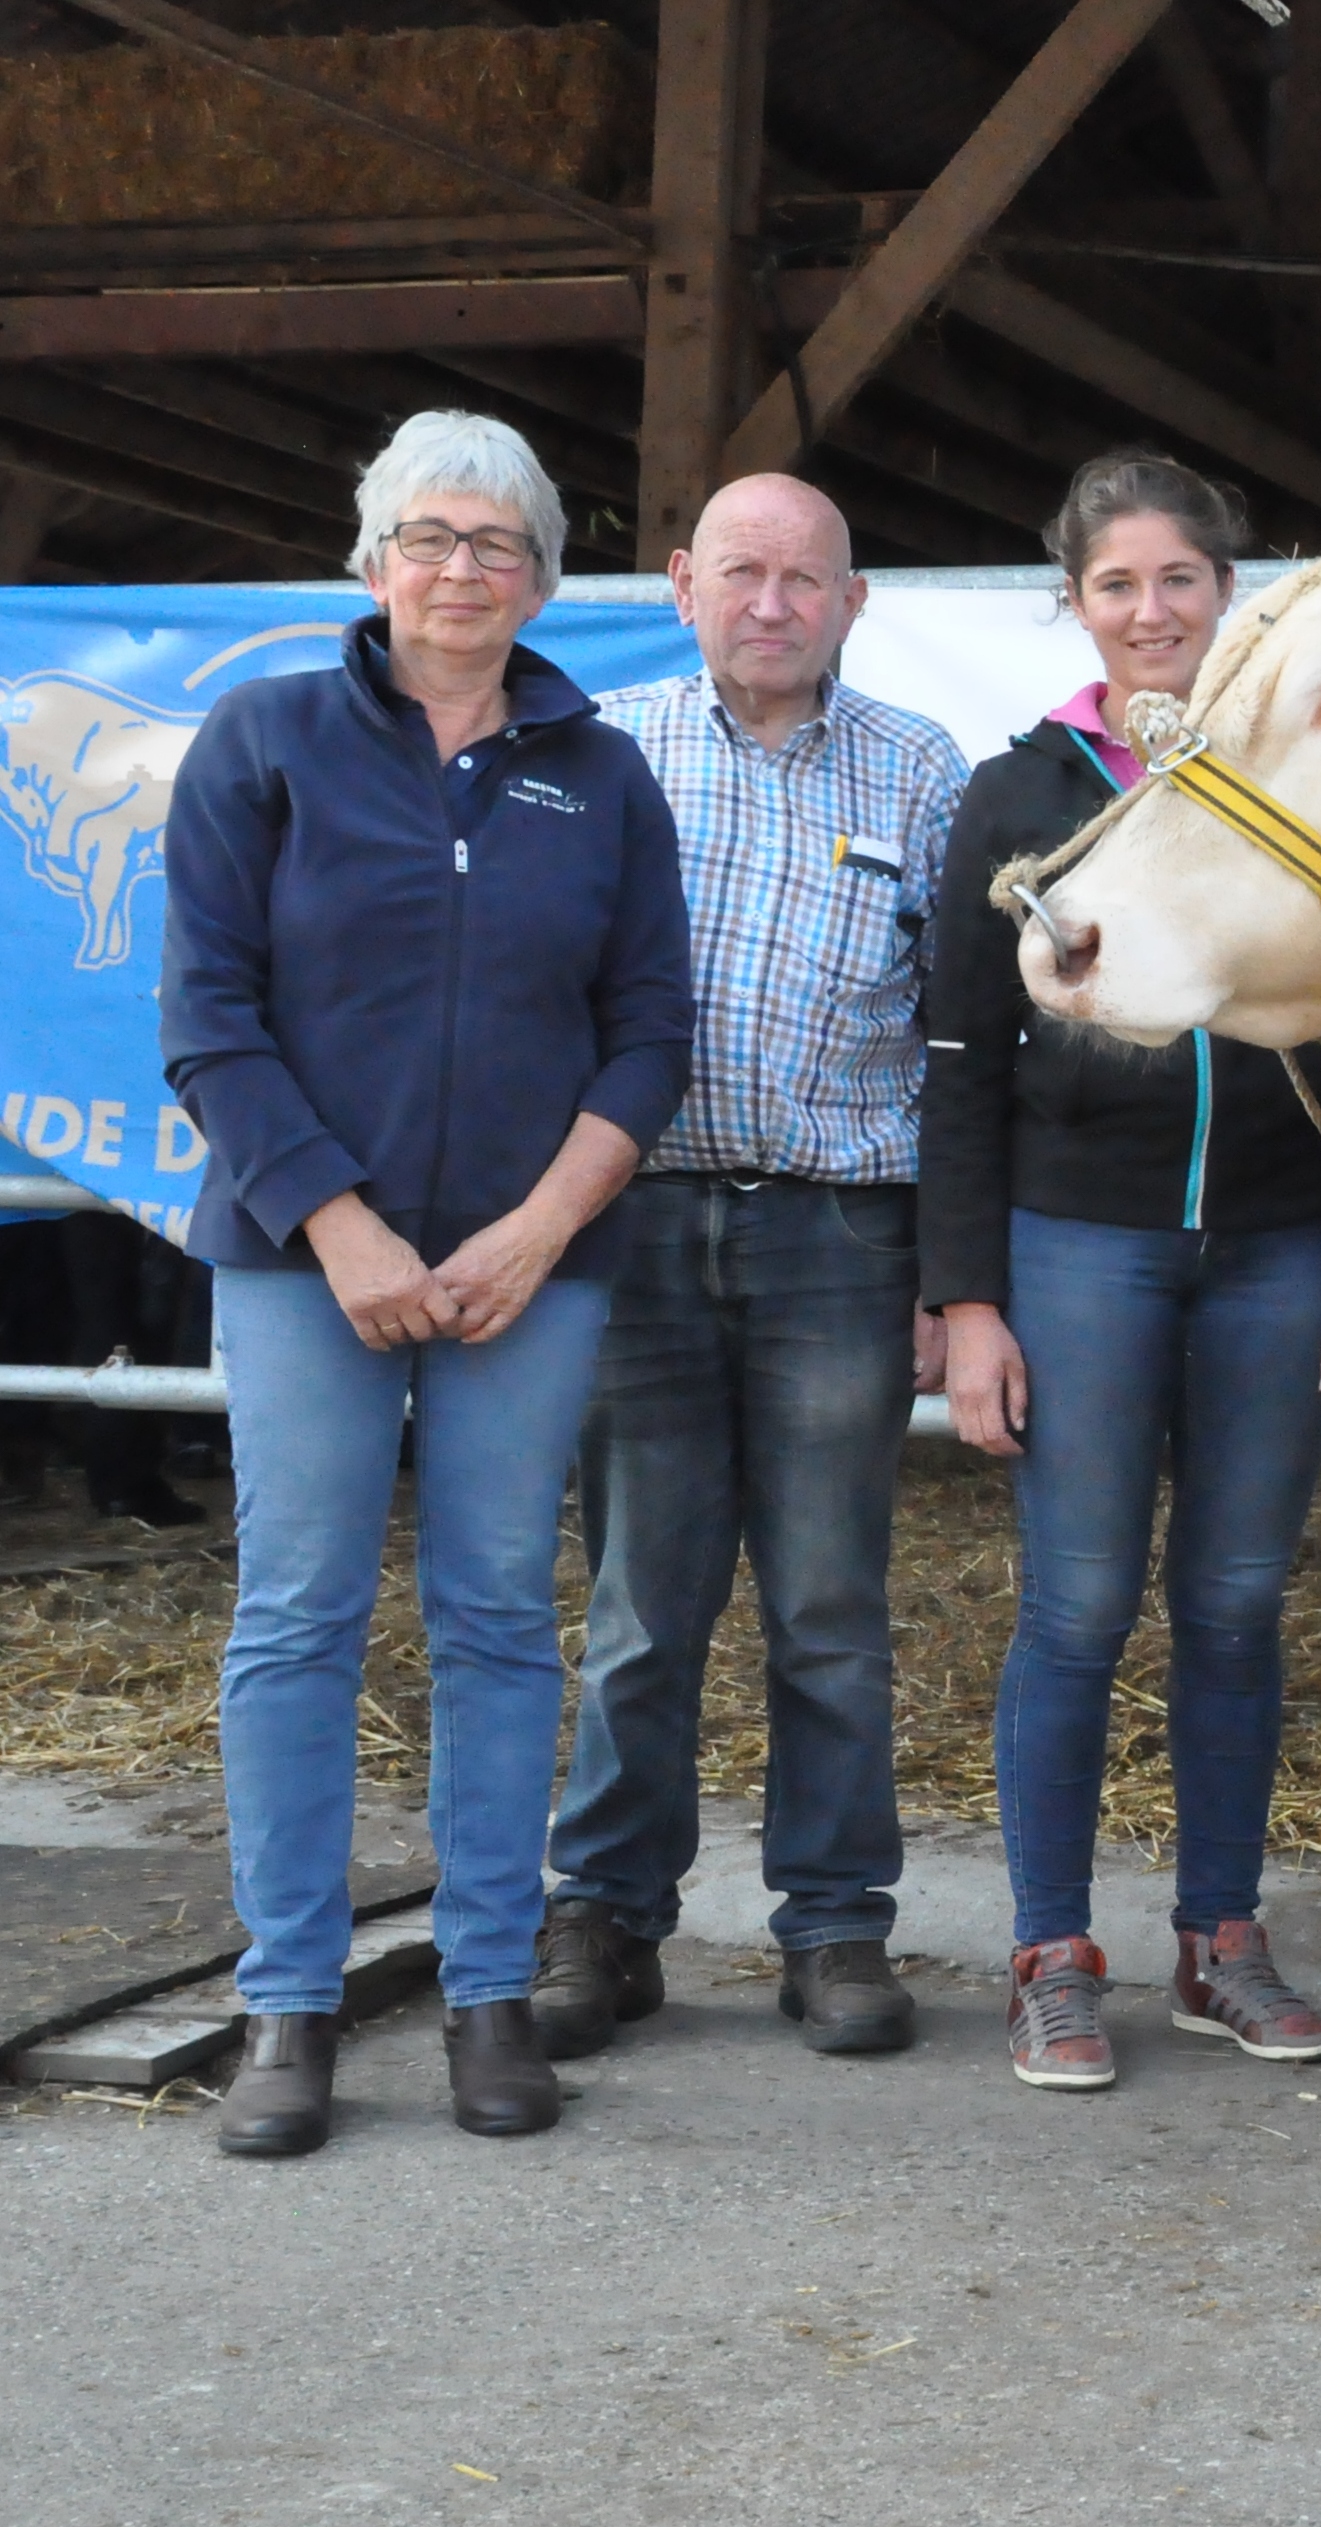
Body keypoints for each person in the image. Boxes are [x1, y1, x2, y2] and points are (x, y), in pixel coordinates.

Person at [160, 410, 695, 2156]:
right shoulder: (265, 738)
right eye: (430, 537)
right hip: (306, 1260)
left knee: (496, 1616)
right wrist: (342, 1226)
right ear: (374, 559)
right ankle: (288, 2006)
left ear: (541, 579)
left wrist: (539, 1230)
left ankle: (486, 1993)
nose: (462, 570)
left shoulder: (600, 775)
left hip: (527, 1273)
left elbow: (648, 1033)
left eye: (498, 544)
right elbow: (207, 1016)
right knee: (297, 1617)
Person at [923, 452, 1321, 2091]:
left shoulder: (1304, 771)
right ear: (1075, 605)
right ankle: (1050, 1954)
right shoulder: (1020, 792)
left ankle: (1221, 1939)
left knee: (1234, 1601)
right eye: (1117, 585)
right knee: (1077, 1604)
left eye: (1181, 580)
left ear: (1231, 592)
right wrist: (968, 1301)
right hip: (1080, 1246)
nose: (1152, 611)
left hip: (1283, 1249)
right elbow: (959, 1059)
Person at [531, 476, 971, 2062]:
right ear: (679, 585)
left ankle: (837, 1926)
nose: (772, 604)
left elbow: (958, 1033)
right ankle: (604, 1915)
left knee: (830, 1604)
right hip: (634, 1220)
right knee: (640, 1603)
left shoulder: (919, 768)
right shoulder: (605, 752)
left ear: (854, 600)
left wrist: (947, 1271)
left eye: (804, 578)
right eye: (741, 573)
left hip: (839, 1234)